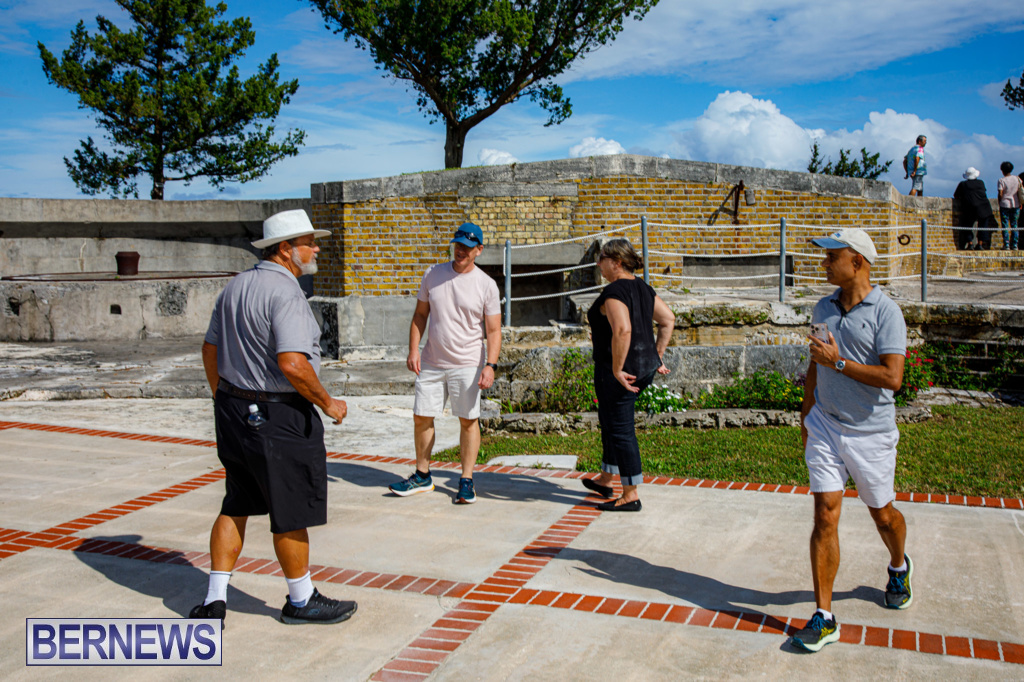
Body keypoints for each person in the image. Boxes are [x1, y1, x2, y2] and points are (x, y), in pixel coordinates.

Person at [191, 209, 357, 626]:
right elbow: (293, 364)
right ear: (285, 249)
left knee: (237, 501)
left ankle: (214, 599)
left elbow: (210, 349)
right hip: (277, 414)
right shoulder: (286, 293)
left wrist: (221, 395)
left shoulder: (235, 286)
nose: (315, 249)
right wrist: (328, 403)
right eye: (308, 242)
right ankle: (301, 600)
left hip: (234, 409)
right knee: (290, 508)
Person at [790, 228, 912, 653]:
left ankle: (898, 565)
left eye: (832, 257)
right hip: (826, 424)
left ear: (857, 261)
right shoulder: (823, 307)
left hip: (870, 432)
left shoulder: (887, 312)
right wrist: (806, 413)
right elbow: (816, 362)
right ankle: (824, 617)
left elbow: (893, 378)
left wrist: (838, 362)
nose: (824, 264)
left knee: (883, 516)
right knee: (825, 514)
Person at [388, 222, 501, 504]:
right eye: (457, 245)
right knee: (421, 416)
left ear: (479, 250)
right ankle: (422, 475)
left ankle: (466, 480)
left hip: (467, 363)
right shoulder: (433, 274)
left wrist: (490, 365)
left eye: (467, 247)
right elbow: (420, 315)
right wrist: (413, 349)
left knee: (468, 420)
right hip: (432, 361)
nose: (461, 250)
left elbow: (493, 330)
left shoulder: (486, 284)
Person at [581, 239, 675, 512]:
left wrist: (616, 369)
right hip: (642, 369)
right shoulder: (643, 287)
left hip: (621, 374)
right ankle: (606, 479)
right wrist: (656, 356)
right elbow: (668, 319)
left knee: (621, 430)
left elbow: (623, 330)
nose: (598, 263)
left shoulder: (614, 291)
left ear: (617, 263)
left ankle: (630, 495)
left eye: (602, 258)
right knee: (610, 422)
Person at [952, 167, 995, 250]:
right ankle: (980, 244)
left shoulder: (963, 184)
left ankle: (970, 244)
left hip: (970, 208)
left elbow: (956, 195)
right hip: (984, 207)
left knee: (967, 226)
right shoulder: (981, 182)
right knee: (983, 227)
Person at [997, 161, 1021, 250]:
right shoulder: (1017, 179)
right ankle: (1015, 244)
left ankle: (1006, 244)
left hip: (1005, 204)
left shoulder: (1001, 180)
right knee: (1015, 225)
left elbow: (1000, 193)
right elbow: (1020, 191)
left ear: (1002, 170)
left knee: (1005, 225)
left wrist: (1000, 201)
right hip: (1016, 203)